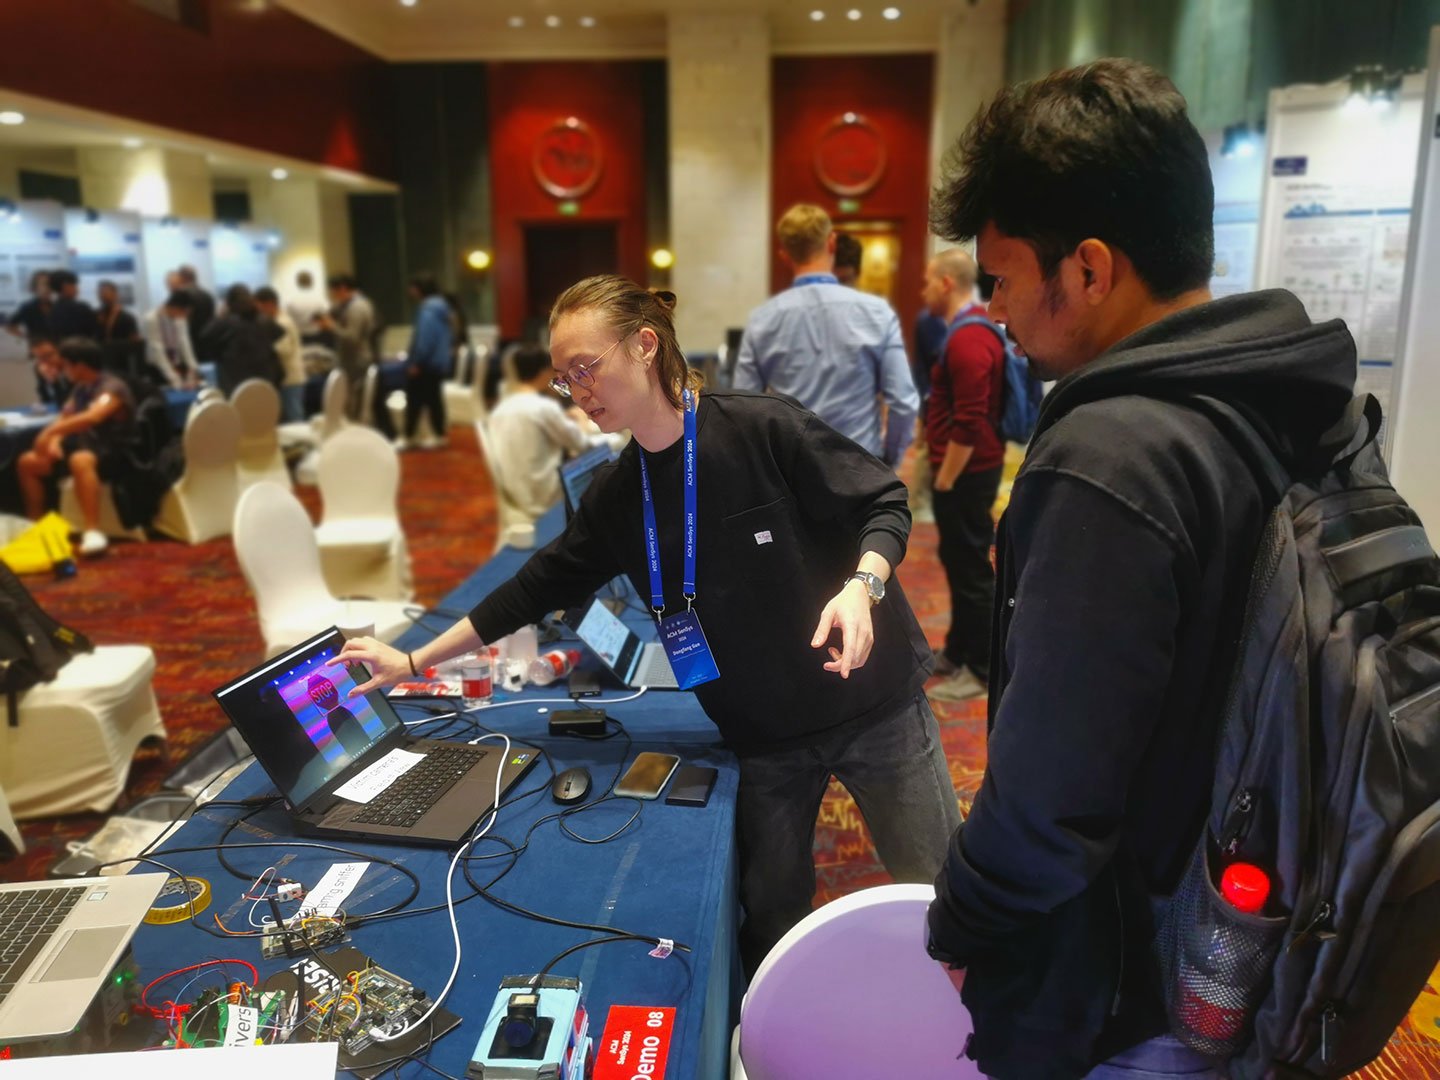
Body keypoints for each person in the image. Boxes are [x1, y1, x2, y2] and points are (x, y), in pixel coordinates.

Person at [923, 59, 1356, 1079]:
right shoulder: (1287, 393)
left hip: (1135, 973)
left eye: (1002, 278)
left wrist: (960, 928)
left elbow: (1049, 798)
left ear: (1087, 269)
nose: (998, 310)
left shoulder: (1110, 457)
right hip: (1262, 916)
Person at [336, 275, 960, 976]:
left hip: (872, 703)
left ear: (643, 346)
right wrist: (415, 661)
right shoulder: (616, 494)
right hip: (766, 735)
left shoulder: (760, 427)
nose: (578, 391)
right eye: (564, 378)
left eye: (587, 367)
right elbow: (533, 588)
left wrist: (861, 587)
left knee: (941, 888)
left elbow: (884, 502)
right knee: (772, 913)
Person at [733, 203, 918, 468]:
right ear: (831, 244)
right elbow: (903, 402)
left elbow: (743, 405)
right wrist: (890, 460)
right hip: (861, 467)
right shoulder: (877, 313)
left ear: (785, 256)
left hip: (792, 470)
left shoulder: (762, 320)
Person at [919, 249, 1005, 702]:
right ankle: (958, 650)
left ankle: (983, 670)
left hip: (967, 474)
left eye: (928, 281)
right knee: (958, 563)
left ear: (948, 283)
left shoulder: (969, 338)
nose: (924, 291)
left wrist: (946, 478)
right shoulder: (963, 331)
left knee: (972, 571)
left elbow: (969, 421)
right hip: (967, 470)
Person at [16, 337, 136, 557]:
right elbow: (65, 417)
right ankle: (36, 525)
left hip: (113, 451)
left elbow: (93, 417)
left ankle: (92, 531)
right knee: (28, 462)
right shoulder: (80, 389)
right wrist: (54, 442)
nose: (62, 370)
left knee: (80, 459)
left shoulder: (112, 388)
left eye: (65, 365)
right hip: (82, 447)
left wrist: (51, 432)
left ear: (79, 365)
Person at [486, 344, 624, 522]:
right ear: (544, 372)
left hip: (514, 494)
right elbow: (583, 445)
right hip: (544, 496)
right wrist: (585, 423)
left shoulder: (501, 409)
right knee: (615, 446)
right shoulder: (543, 408)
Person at [397, 273, 452, 450]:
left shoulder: (428, 311)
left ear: (420, 289)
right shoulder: (441, 308)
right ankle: (439, 435)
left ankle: (408, 437)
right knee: (434, 400)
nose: (409, 291)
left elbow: (425, 341)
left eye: (412, 287)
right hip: (437, 363)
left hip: (425, 364)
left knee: (414, 401)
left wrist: (416, 363)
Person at [199, 284, 282, 396]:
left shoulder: (225, 323)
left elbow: (205, 336)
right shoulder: (264, 321)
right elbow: (279, 335)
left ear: (228, 303)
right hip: (265, 383)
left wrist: (221, 315)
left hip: (234, 385)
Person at [317, 273, 375, 419]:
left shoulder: (356, 307)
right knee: (351, 403)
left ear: (342, 289)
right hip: (353, 359)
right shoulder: (353, 304)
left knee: (353, 405)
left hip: (356, 360)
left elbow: (352, 337)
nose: (333, 296)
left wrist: (331, 326)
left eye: (334, 292)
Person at [255, 286, 304, 421]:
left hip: (290, 377)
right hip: (285, 377)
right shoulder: (276, 320)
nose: (258, 311)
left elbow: (285, 350)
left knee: (295, 416)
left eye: (259, 307)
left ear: (269, 304)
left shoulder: (283, 322)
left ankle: (301, 442)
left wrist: (264, 345)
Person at [143, 291, 199, 389]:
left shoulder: (180, 319)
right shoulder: (151, 318)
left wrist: (193, 367)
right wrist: (173, 377)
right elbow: (157, 349)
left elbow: (185, 342)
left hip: (176, 362)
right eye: (184, 312)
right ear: (175, 308)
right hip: (157, 367)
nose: (185, 316)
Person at [95, 279, 142, 375]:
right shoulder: (95, 315)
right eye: (100, 293)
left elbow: (134, 341)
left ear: (115, 294)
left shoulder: (127, 317)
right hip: (100, 359)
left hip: (121, 362)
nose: (103, 295)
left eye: (106, 292)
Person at [46, 270, 100, 342]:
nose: (77, 288)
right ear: (65, 286)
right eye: (74, 285)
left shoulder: (52, 309)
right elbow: (93, 330)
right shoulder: (81, 308)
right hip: (82, 347)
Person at [176, 265, 216, 352]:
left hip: (189, 345)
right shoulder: (208, 296)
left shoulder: (181, 296)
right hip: (207, 344)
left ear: (183, 278)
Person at [5, 270, 52, 341]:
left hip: (56, 347)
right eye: (44, 284)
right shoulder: (27, 307)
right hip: (37, 347)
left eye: (50, 285)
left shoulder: (57, 306)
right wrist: (25, 337)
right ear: (35, 286)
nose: (47, 288)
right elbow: (10, 326)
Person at [286, 269, 328, 344]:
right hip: (318, 335)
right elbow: (325, 317)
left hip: (299, 336)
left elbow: (288, 320)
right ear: (311, 282)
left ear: (297, 282)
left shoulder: (291, 300)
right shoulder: (320, 298)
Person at [29, 336, 71, 408]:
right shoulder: (39, 368)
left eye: (49, 355)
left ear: (60, 351)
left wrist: (55, 382)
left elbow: (68, 402)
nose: (45, 361)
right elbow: (44, 397)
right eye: (39, 357)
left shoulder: (72, 367)